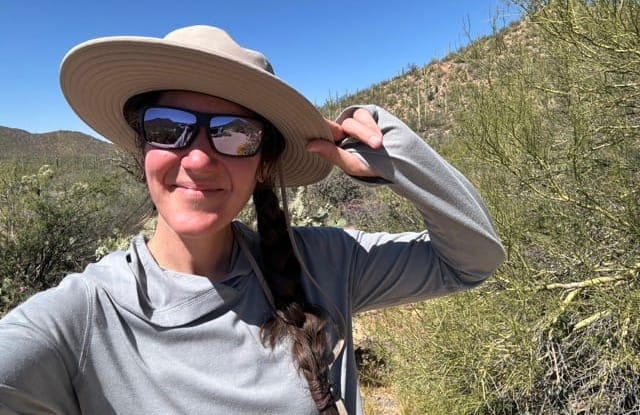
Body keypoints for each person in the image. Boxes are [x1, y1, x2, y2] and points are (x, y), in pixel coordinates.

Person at [0, 25, 505, 415]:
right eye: (168, 128)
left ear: (263, 164)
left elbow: (472, 258)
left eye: (235, 133)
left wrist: (389, 152)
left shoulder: (323, 265)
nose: (197, 159)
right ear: (142, 149)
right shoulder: (80, 320)